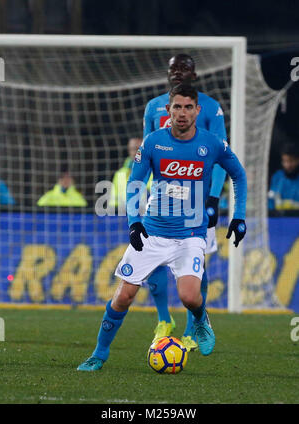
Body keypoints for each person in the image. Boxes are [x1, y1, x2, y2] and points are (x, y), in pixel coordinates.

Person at [77, 84, 247, 371]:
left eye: (188, 107)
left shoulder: (212, 144)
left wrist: (238, 216)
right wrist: (134, 222)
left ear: (197, 110)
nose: (182, 113)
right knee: (122, 297)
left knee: (190, 296)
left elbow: (238, 176)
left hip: (190, 234)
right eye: (176, 107)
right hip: (153, 233)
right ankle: (99, 354)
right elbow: (134, 184)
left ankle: (200, 318)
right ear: (168, 110)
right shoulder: (154, 142)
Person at [143, 53, 227, 352]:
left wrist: (214, 197)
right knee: (150, 259)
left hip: (197, 199)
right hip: (162, 200)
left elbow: (219, 157)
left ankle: (193, 328)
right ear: (167, 74)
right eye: (173, 69)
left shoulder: (210, 108)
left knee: (196, 264)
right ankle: (164, 319)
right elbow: (146, 152)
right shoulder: (154, 107)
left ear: (194, 74)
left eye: (184, 68)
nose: (178, 73)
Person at [108, 137, 143, 212]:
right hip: (123, 216)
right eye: (132, 149)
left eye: (137, 149)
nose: (134, 153)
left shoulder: (155, 170)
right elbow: (114, 202)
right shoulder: (120, 174)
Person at [268, 143, 299, 210]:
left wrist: (294, 205)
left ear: (297, 160)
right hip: (279, 218)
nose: (288, 165)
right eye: (285, 161)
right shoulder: (277, 176)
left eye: (291, 161)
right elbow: (271, 202)